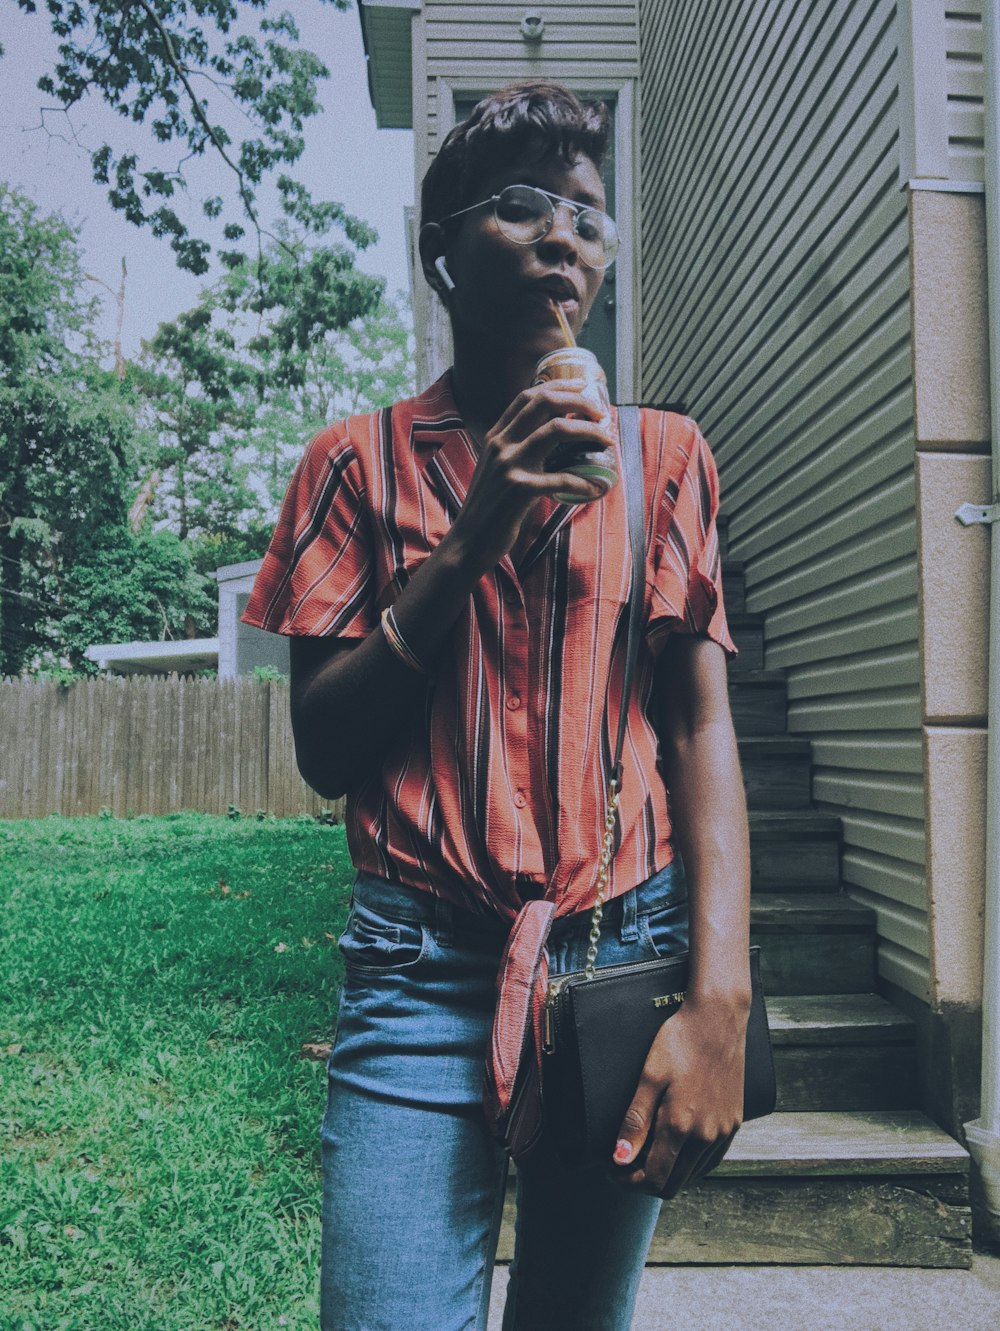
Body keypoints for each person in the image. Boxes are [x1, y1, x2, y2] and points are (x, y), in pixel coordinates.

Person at [243, 81, 751, 1331]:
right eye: (519, 206)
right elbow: (324, 749)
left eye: (586, 214)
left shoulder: (664, 457)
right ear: (442, 253)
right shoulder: (350, 464)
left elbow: (697, 727)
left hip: (620, 957)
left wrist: (721, 997)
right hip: (417, 970)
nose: (561, 234)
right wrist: (473, 533)